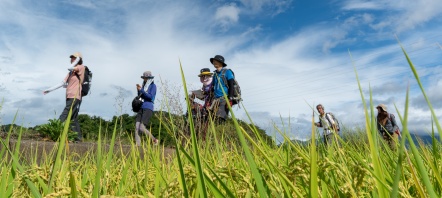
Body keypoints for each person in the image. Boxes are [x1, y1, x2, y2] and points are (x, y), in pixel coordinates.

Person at [43, 52, 85, 142]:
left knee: (65, 114)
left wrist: (77, 60)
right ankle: (78, 138)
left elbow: (69, 67)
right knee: (73, 118)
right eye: (71, 58)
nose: (71, 59)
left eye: (74, 58)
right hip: (69, 96)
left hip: (75, 95)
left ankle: (53, 131)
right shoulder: (71, 73)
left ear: (78, 59)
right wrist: (49, 90)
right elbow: (62, 83)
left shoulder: (81, 67)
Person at [135, 71, 158, 146]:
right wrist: (138, 90)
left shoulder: (153, 86)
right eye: (144, 78)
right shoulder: (143, 86)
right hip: (141, 107)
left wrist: (141, 90)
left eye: (145, 78)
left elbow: (150, 97)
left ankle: (154, 140)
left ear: (149, 78)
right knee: (137, 126)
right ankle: (138, 145)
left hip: (148, 107)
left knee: (141, 127)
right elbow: (140, 96)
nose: (144, 79)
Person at [209, 55, 235, 123]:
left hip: (225, 99)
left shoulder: (227, 72)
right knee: (212, 118)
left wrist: (230, 98)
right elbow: (213, 86)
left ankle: (221, 132)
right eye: (213, 61)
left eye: (216, 61)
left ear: (221, 62)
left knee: (220, 118)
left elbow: (231, 85)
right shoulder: (215, 74)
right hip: (216, 100)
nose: (214, 62)